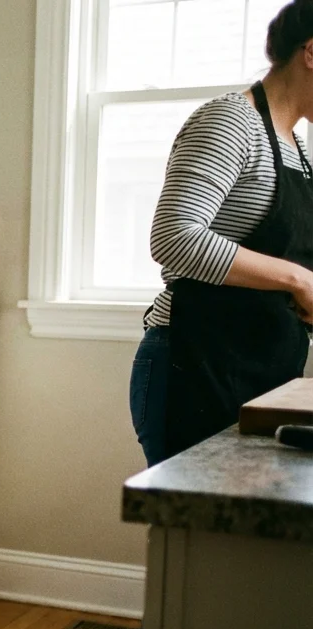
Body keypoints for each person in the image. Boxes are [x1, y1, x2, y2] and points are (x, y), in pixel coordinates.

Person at [130, 0, 313, 466]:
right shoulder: (233, 121)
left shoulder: (298, 146)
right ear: (310, 52)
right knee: (188, 534)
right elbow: (174, 236)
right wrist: (298, 280)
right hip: (194, 364)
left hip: (263, 372)